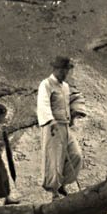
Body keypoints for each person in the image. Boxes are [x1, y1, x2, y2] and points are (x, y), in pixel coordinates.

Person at [37, 56, 84, 200]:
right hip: (52, 126)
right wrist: (50, 121)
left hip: (64, 126)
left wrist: (73, 115)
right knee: (55, 158)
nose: (65, 74)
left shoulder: (65, 86)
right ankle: (54, 192)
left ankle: (62, 183)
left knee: (76, 155)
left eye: (67, 71)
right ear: (56, 69)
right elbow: (43, 103)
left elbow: (68, 102)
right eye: (63, 71)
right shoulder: (46, 84)